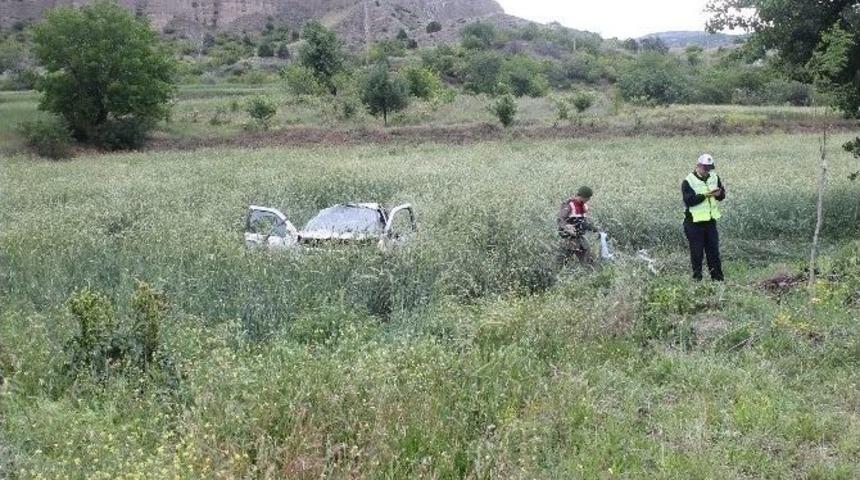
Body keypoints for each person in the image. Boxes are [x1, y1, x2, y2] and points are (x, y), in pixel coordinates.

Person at [682, 154, 726, 281]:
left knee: (714, 253)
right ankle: (697, 280)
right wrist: (706, 195)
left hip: (710, 222)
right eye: (705, 168)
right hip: (693, 224)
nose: (707, 171)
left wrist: (719, 194)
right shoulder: (688, 181)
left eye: (709, 168)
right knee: (697, 254)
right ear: (698, 166)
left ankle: (718, 280)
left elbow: (721, 196)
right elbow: (689, 201)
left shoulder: (714, 177)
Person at [557, 186, 600, 266]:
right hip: (568, 240)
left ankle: (593, 276)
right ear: (583, 196)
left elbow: (584, 222)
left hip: (580, 239)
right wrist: (567, 227)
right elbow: (560, 219)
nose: (588, 200)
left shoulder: (583, 206)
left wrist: (595, 229)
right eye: (588, 198)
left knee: (590, 263)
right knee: (560, 263)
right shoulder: (569, 205)